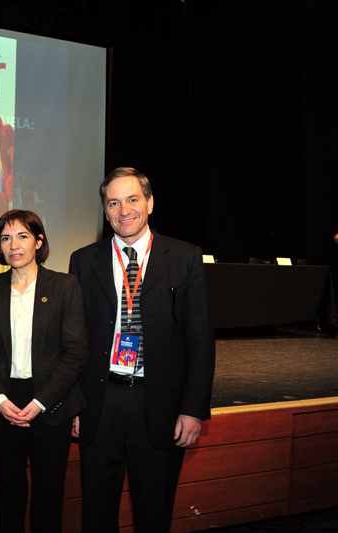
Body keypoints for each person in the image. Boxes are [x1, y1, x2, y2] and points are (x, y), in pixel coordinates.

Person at [68, 167, 215, 532]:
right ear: (105, 211)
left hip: (160, 404)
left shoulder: (184, 257)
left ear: (149, 202)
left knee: (154, 513)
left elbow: (200, 341)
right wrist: (73, 403)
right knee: (97, 514)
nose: (124, 210)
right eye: (113, 203)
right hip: (100, 404)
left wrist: (193, 411)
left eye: (132, 200)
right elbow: (72, 341)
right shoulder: (84, 260)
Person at [0, 209, 88, 533]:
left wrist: (39, 402)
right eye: (5, 238)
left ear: (38, 241)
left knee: (48, 502)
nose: (13, 245)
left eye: (22, 236)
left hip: (51, 405)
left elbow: (76, 353)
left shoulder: (65, 286)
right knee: (9, 501)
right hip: (3, 405)